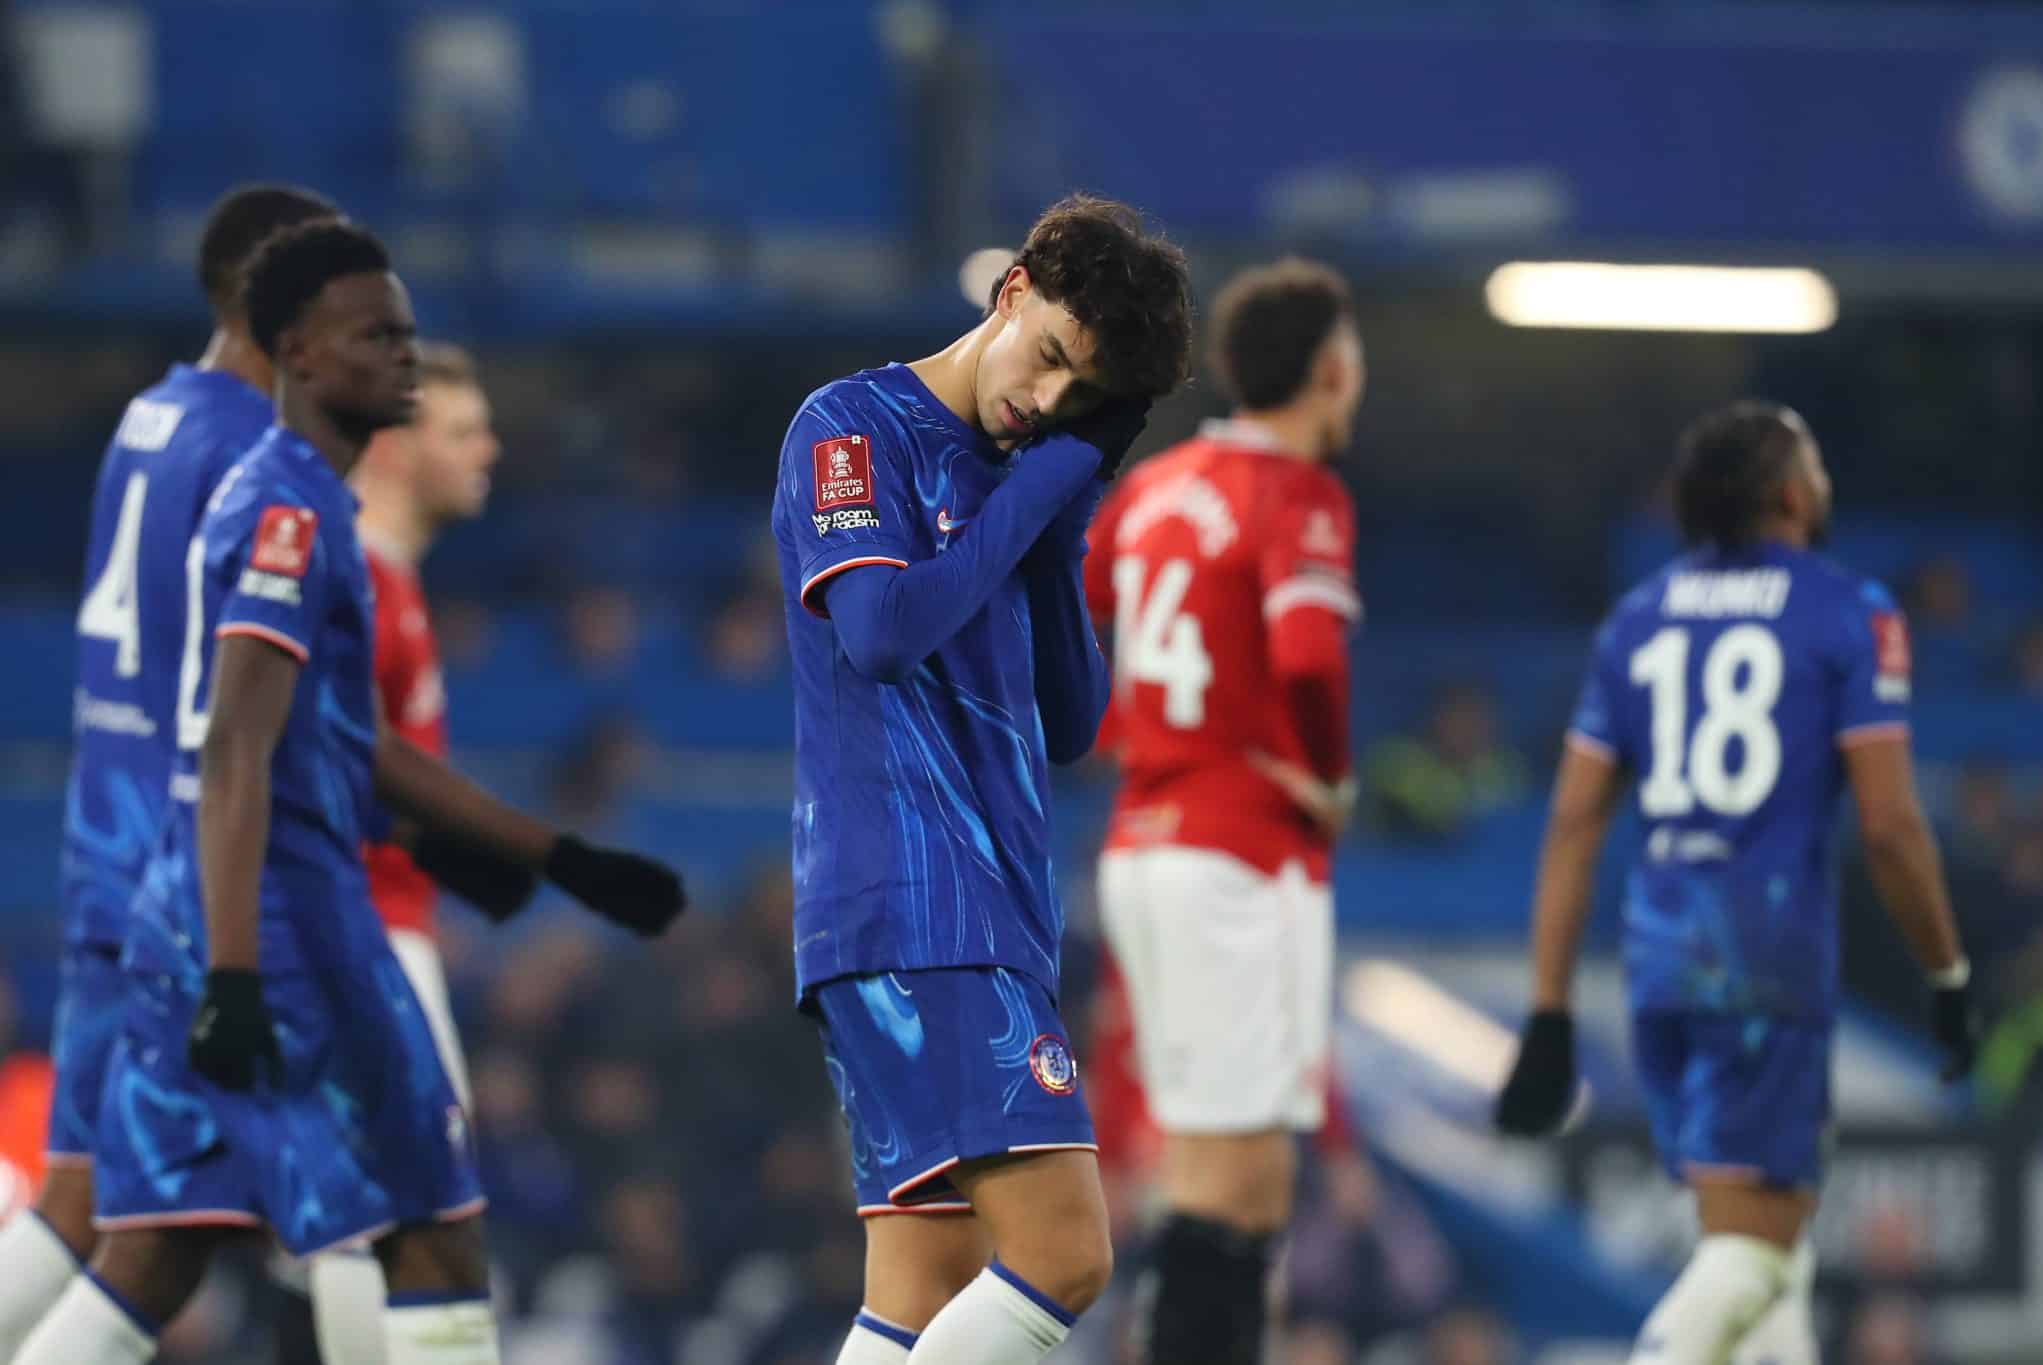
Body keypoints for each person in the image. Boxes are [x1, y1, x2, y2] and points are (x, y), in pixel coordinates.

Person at [15, 220, 684, 1365]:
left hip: (209, 900)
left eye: (408, 335)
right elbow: (238, 747)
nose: (406, 362)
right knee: (427, 1232)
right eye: (376, 337)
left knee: (152, 1249)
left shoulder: (283, 495)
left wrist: (540, 856)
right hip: (284, 917)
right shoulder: (291, 511)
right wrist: (232, 971)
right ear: (300, 356)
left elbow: (332, 741)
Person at [769, 193, 1193, 1365]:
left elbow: (1071, 718)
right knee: (1064, 1257)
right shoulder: (849, 426)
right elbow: (882, 630)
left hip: (988, 907)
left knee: (920, 1289)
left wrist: (1062, 526)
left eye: (1080, 394)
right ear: (1011, 289)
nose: (1045, 398)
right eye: (1048, 355)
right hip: (912, 901)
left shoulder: (1021, 475)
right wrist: (1026, 501)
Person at [1494, 402, 1978, 1365]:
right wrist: (1948, 971)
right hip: (1767, 960)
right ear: (1793, 492)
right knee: (1752, 1258)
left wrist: (1550, 1008)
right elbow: (1888, 826)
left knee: (1770, 1256)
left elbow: (1575, 818)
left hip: (1660, 963)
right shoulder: (1849, 608)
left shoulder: (1638, 616)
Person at [0, 184, 340, 1364]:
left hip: (103, 851)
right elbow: (236, 706)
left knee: (84, 1202)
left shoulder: (149, 420)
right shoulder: (253, 454)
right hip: (185, 876)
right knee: (357, 1201)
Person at [1085, 257, 1366, 1364]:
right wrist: (1327, 775)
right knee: (1221, 1173)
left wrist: (1122, 736)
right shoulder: (1296, 494)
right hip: (1231, 852)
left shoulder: (1154, 485)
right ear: (1333, 371)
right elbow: (1306, 657)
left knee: (1242, 1181)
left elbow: (1072, 615)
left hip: (1149, 839)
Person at [278, 342, 504, 1363]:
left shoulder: (390, 578)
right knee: (407, 1217)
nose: (487, 449)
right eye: (462, 431)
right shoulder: (356, 578)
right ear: (400, 447)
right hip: (356, 935)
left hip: (371, 929)